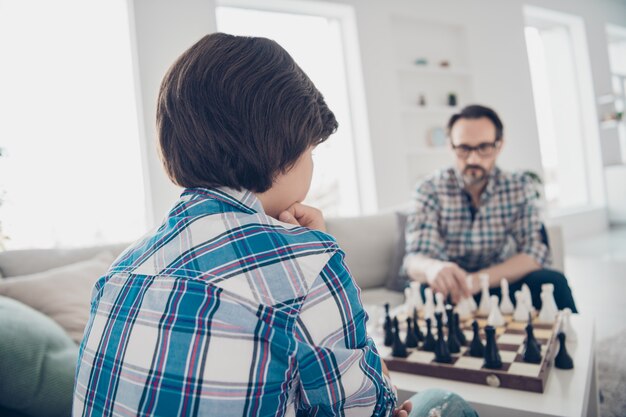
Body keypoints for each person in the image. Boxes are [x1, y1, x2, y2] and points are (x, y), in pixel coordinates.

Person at [73, 33, 477, 417]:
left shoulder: (120, 270)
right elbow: (374, 407)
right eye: (312, 149)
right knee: (444, 400)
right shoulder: (306, 264)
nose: (312, 165)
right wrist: (316, 253)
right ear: (281, 146)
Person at [403, 104, 578, 312]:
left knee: (553, 281)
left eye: (484, 148)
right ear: (450, 146)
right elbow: (414, 259)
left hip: (499, 281)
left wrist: (477, 280)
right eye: (464, 149)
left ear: (499, 146)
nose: (473, 159)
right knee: (425, 292)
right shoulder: (428, 189)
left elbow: (535, 252)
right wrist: (432, 268)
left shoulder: (519, 186)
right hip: (450, 290)